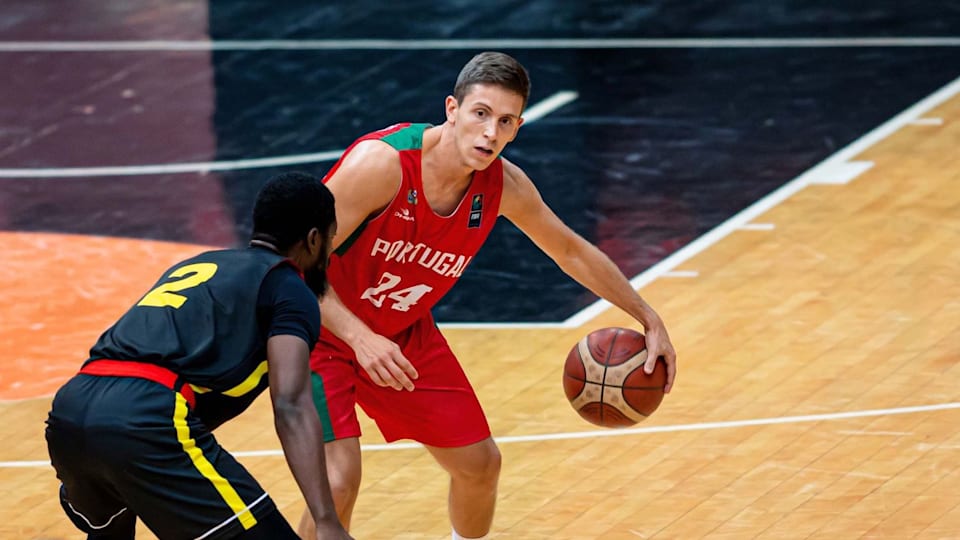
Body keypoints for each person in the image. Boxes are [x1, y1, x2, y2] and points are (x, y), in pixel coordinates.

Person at [298, 52, 678, 539]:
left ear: (518, 127)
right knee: (339, 479)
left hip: (401, 333)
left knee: (480, 466)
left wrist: (648, 317)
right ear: (452, 108)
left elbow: (569, 250)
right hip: (321, 328)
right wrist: (359, 336)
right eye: (480, 114)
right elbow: (294, 264)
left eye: (504, 121)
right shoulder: (382, 165)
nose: (489, 133)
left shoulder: (505, 187)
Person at [45, 172, 352, 540]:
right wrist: (326, 520)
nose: (330, 254)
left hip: (71, 413)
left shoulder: (200, 265)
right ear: (314, 239)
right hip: (143, 418)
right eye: (331, 239)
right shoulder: (288, 287)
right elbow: (290, 404)